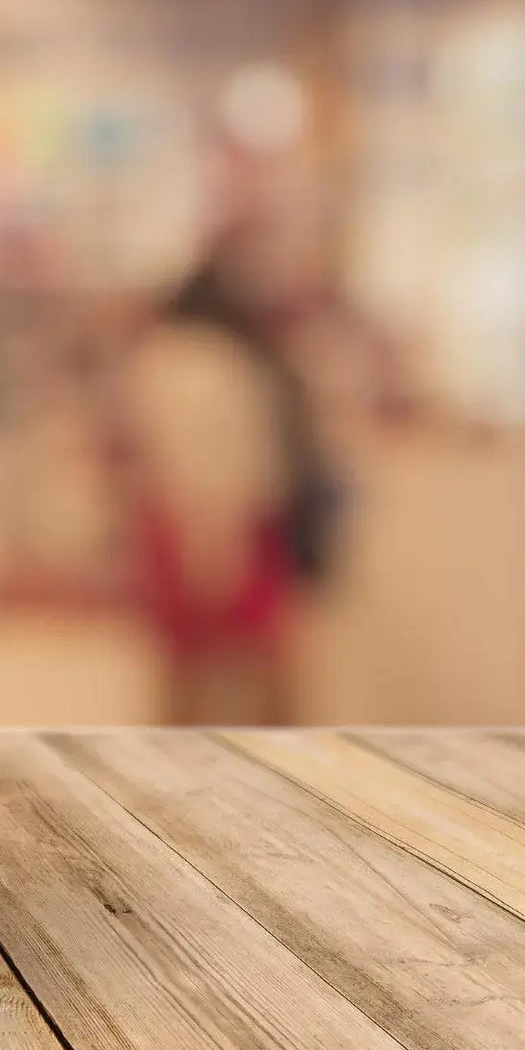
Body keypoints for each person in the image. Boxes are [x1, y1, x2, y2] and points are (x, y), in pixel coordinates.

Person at [121, 242, 337, 725]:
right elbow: (241, 459)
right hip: (234, 521)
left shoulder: (157, 360)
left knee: (186, 666)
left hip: (177, 520)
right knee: (263, 662)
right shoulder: (231, 363)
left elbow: (163, 456)